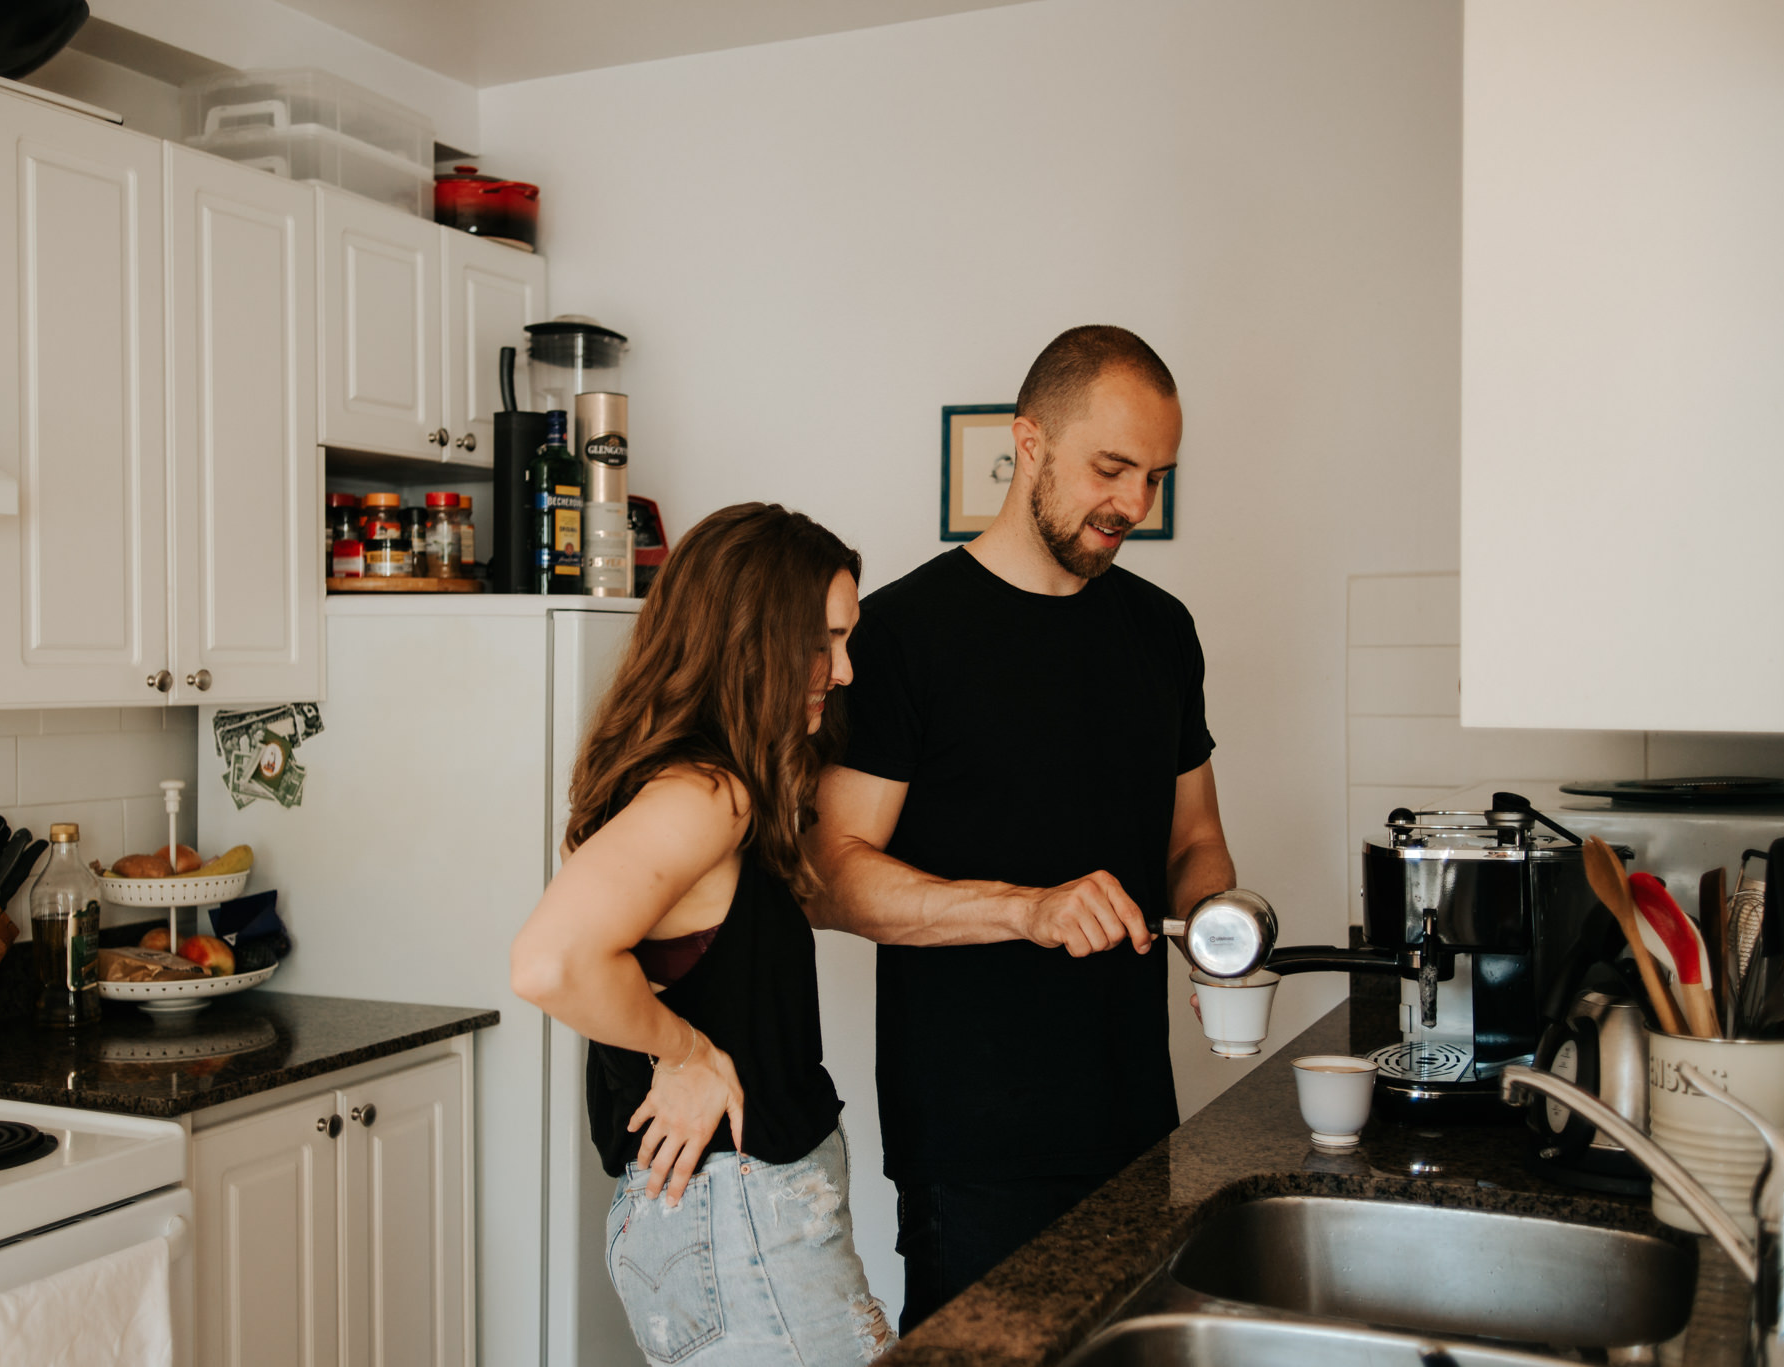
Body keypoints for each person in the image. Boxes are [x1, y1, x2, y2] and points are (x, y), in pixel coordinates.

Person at [807, 325, 1238, 1332]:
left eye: (1153, 477)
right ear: (1028, 442)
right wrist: (1027, 909)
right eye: (1111, 467)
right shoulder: (901, 635)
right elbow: (829, 875)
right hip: (971, 1143)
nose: (1133, 504)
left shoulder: (1159, 629)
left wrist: (1219, 920)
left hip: (1136, 1120)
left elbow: (1192, 837)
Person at [511, 502, 896, 1366]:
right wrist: (682, 1052)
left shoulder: (689, 780)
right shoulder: (702, 795)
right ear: (750, 639)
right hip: (746, 1225)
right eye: (822, 642)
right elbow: (548, 963)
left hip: (726, 1221)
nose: (842, 671)